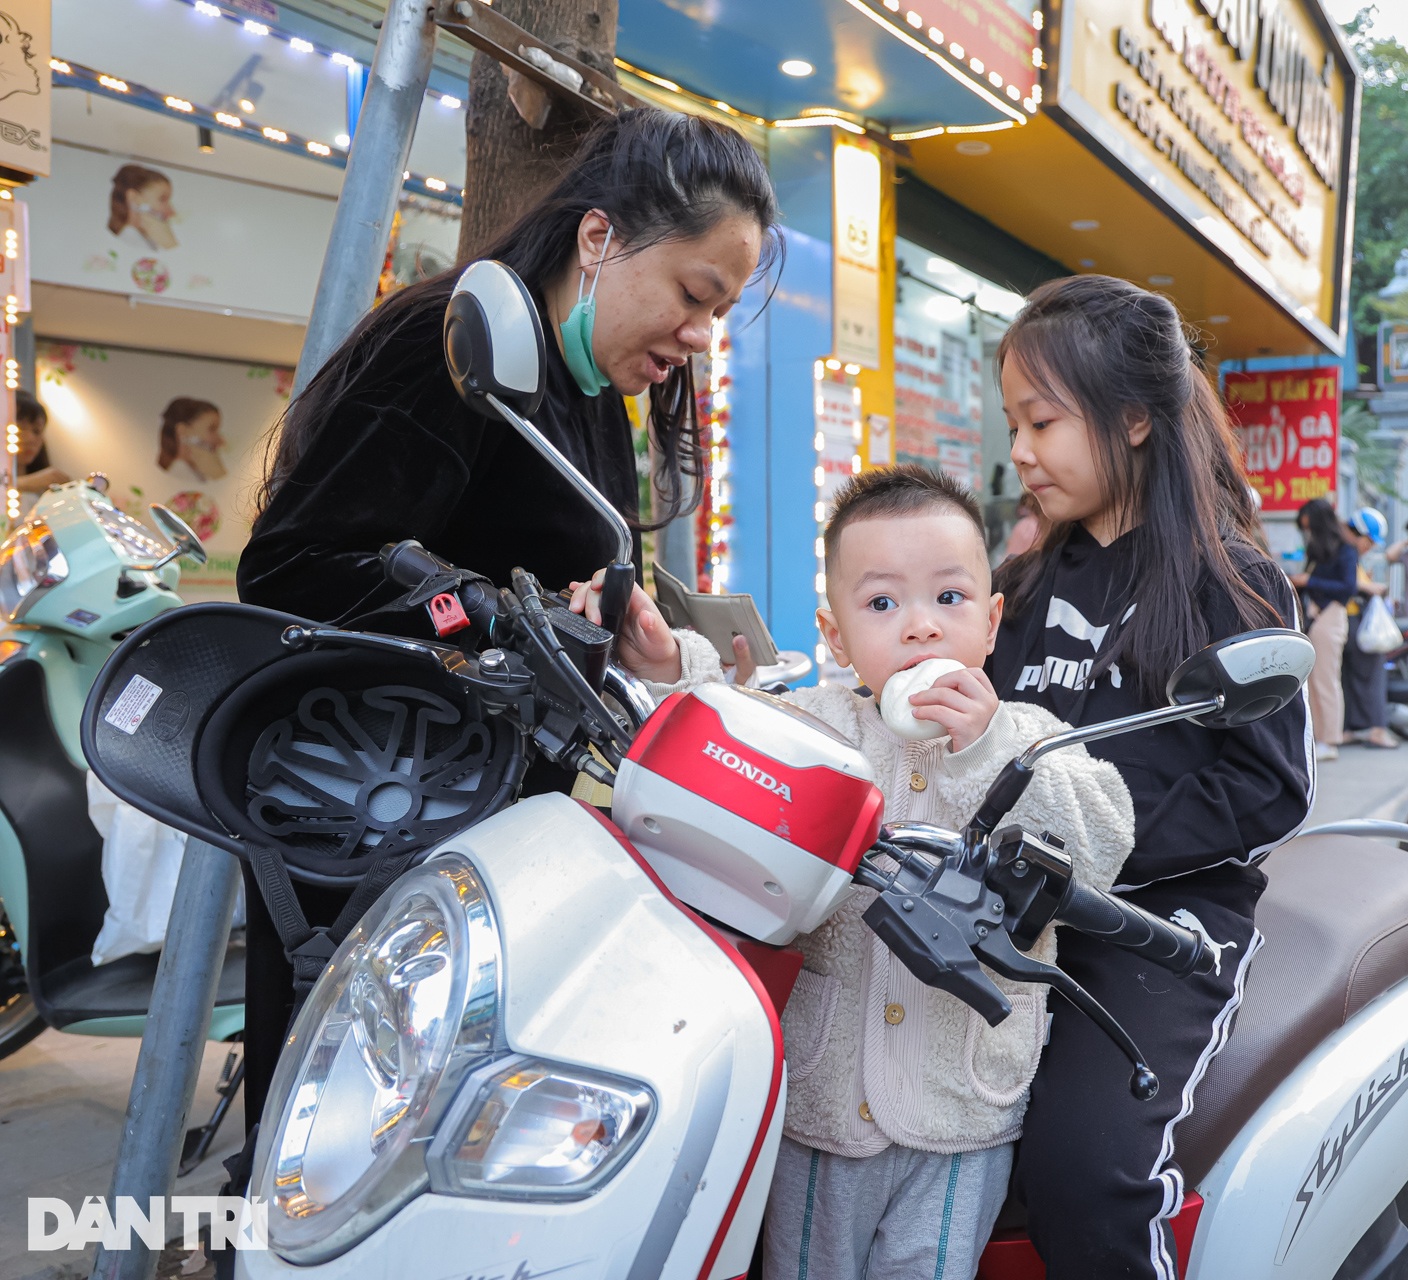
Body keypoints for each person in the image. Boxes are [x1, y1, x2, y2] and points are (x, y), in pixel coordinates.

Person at [233, 106, 780, 1136]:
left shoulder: (589, 394)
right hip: (368, 827)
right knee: (341, 1147)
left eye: (721, 313)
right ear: (599, 236)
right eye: (694, 296)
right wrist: (487, 611)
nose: (702, 336)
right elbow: (292, 565)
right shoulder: (445, 345)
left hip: (481, 828)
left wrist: (621, 631)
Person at [654, 466, 1133, 1279]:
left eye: (948, 600)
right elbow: (725, 743)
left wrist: (990, 754)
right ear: (835, 638)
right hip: (825, 1102)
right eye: (882, 605)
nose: (920, 628)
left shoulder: (1032, 737)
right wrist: (675, 662)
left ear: (991, 623)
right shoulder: (815, 725)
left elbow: (1101, 844)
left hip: (961, 1109)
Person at [985, 275, 1313, 1279]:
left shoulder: (1232, 577)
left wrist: (1103, 850)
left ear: (1133, 417)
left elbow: (1271, 788)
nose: (1021, 451)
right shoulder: (1028, 579)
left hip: (1163, 923)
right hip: (1009, 903)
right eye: (1013, 423)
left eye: (1042, 420)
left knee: (1087, 1172)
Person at [1291, 496, 1356, 762]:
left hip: (1331, 616)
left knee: (1326, 680)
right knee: (1313, 682)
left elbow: (1348, 588)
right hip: (1314, 617)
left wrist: (1310, 580)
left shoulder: (1346, 549)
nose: (1307, 533)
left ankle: (1329, 739)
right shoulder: (1318, 549)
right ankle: (1318, 737)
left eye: (1309, 528)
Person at [1341, 506, 1397, 750]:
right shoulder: (1346, 552)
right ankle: (1376, 729)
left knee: (1349, 676)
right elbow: (1349, 583)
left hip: (1348, 621)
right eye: (1370, 541)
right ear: (1360, 534)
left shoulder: (1346, 551)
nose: (1371, 546)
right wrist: (1372, 588)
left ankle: (1348, 728)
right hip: (1351, 620)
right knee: (1373, 672)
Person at [9, 394, 68, 502]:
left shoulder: (46, 487)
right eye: (19, 428)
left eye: (37, 431)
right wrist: (22, 483)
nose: (30, 439)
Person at [107, 163, 178, 252]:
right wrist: (171, 245)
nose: (172, 211)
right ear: (133, 197)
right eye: (162, 200)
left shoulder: (151, 240)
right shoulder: (130, 241)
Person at [157, 396, 227, 482]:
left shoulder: (198, 473)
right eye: (212, 429)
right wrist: (217, 473)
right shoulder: (179, 476)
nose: (221, 441)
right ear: (182, 431)